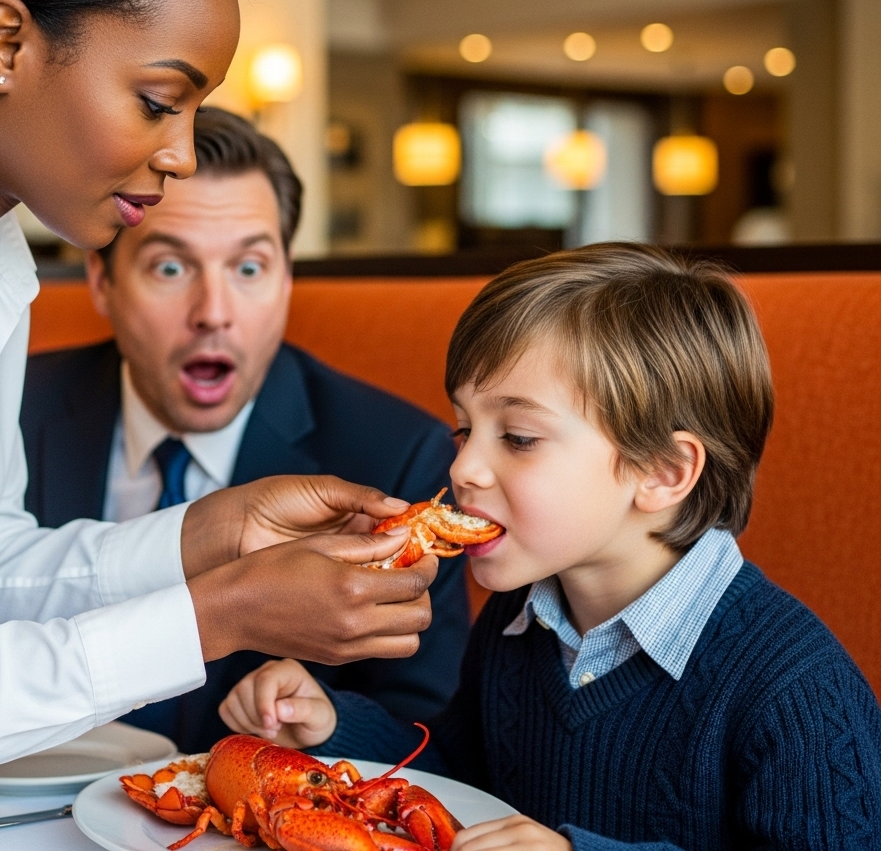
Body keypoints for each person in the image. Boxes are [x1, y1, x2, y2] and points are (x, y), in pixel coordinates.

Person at [0, 0, 438, 789]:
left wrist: (215, 535)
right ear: (6, 44)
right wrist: (223, 612)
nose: (181, 154)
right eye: (161, 100)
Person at [221, 244, 881, 849]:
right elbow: (460, 779)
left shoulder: (797, 689)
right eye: (464, 430)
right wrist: (332, 725)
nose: (463, 469)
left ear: (662, 472)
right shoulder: (518, 624)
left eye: (519, 438)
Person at [20, 107, 468, 749]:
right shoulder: (10, 412)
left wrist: (330, 724)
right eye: (170, 268)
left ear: (286, 281)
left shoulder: (398, 457)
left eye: (249, 268)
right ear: (102, 280)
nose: (213, 313)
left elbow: (432, 731)